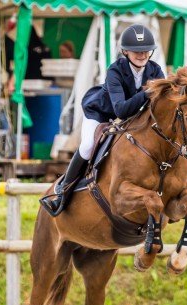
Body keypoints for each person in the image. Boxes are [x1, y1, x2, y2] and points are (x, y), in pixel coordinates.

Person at [40, 24, 165, 217]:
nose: (142, 55)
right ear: (125, 51)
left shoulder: (156, 71)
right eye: (136, 51)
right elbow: (121, 110)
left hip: (134, 117)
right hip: (102, 113)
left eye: (146, 51)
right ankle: (62, 192)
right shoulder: (115, 71)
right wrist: (147, 92)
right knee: (88, 145)